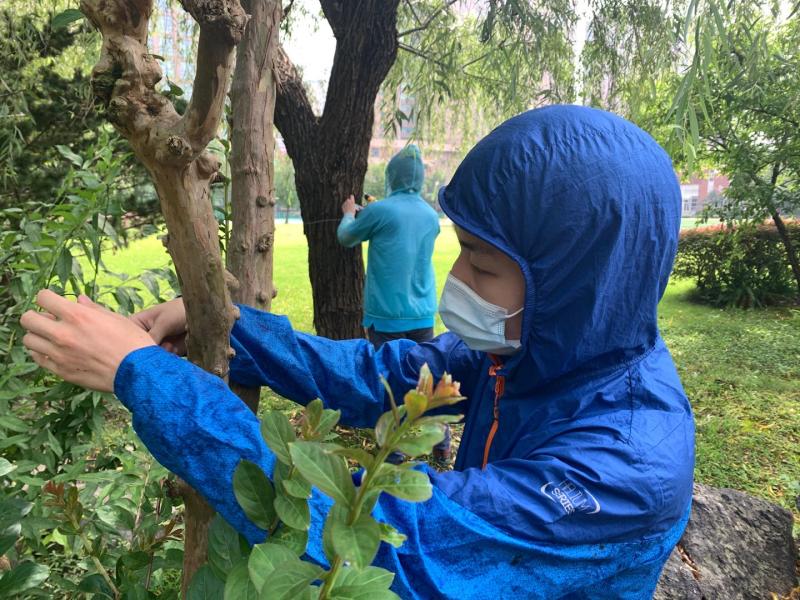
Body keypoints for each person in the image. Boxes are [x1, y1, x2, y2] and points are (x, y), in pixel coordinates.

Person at [20, 106, 694, 599]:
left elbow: (387, 534)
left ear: (574, 284)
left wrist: (144, 377)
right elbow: (379, 372)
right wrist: (227, 328)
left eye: (484, 268)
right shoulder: (535, 354)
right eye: (461, 254)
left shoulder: (626, 469)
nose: (458, 285)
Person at [337, 144, 451, 460]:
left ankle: (393, 453)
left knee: (389, 383)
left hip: (386, 315)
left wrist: (349, 214)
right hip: (423, 314)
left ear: (392, 175)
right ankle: (441, 442)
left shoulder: (381, 210)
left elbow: (347, 237)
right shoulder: (431, 216)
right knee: (425, 380)